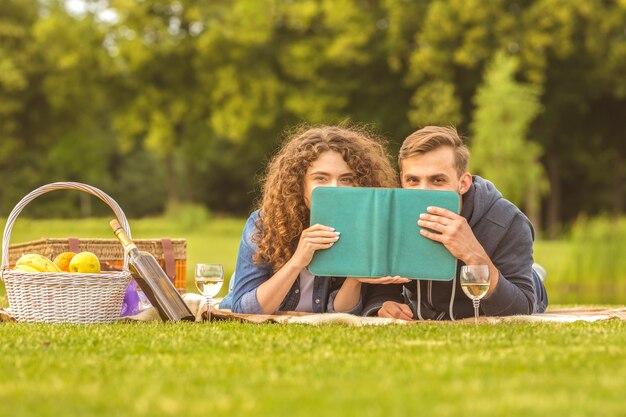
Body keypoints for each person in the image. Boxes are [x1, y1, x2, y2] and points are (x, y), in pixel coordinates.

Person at [362, 126, 548, 320]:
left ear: (463, 182)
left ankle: (534, 274)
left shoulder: (508, 221)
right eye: (413, 180)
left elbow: (521, 308)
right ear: (402, 180)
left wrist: (474, 254)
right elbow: (384, 285)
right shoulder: (394, 215)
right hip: (433, 308)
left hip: (509, 282)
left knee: (531, 283)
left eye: (437, 180)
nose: (423, 192)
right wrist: (384, 304)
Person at [222, 126, 405, 315]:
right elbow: (244, 310)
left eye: (346, 179)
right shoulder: (263, 224)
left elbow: (342, 317)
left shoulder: (369, 229)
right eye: (321, 178)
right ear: (299, 184)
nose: (335, 189)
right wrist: (297, 261)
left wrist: (354, 278)